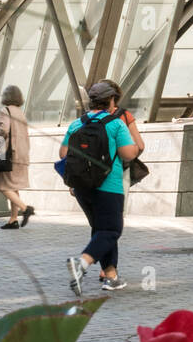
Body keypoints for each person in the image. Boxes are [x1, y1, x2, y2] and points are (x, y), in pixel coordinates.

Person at [61, 80, 143, 294]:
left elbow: (63, 154)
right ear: (111, 100)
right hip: (109, 186)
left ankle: (111, 277)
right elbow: (128, 153)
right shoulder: (115, 124)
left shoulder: (77, 124)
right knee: (111, 229)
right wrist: (133, 147)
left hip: (82, 188)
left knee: (101, 230)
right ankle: (82, 263)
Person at [0, 85, 33, 229]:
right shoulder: (20, 113)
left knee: (2, 185)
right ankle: (13, 219)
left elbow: (4, 130)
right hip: (22, 154)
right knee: (13, 186)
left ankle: (25, 209)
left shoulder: (6, 110)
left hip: (10, 154)